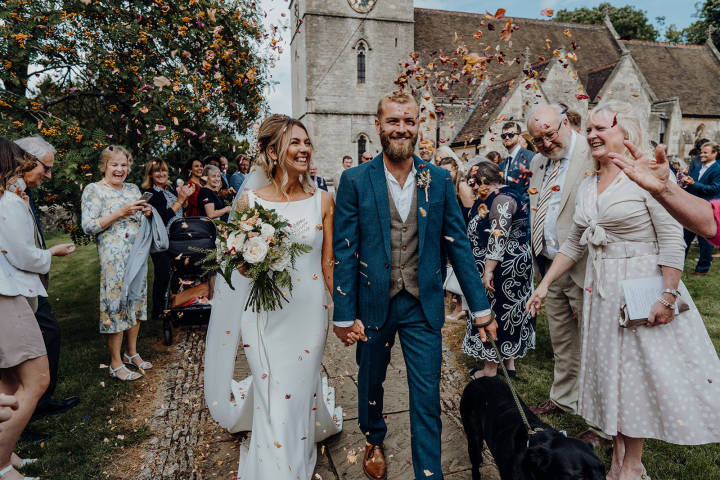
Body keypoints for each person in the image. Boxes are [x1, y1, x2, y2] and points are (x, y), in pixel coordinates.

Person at [527, 100, 720, 480]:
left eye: (602, 128)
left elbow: (671, 240)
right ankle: (619, 461)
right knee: (609, 378)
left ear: (625, 135)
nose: (593, 134)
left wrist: (667, 295)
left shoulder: (647, 178)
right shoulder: (586, 184)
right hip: (600, 291)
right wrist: (545, 285)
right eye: (592, 128)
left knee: (635, 379)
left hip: (640, 290)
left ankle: (630, 466)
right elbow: (574, 243)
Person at [332, 91, 496, 480]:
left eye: (408, 121)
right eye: (393, 121)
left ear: (418, 125)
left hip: (423, 305)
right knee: (371, 380)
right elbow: (345, 249)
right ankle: (373, 435)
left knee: (427, 396)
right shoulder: (354, 180)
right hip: (373, 302)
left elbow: (458, 245)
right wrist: (343, 314)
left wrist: (482, 309)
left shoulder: (438, 179)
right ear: (379, 126)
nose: (401, 128)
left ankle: (429, 472)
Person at [203, 114, 341, 479]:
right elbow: (239, 268)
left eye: (306, 142)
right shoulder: (250, 203)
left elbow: (328, 263)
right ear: (272, 151)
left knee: (299, 390)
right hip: (264, 315)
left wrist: (343, 309)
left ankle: (296, 454)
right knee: (272, 394)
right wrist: (252, 259)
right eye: (295, 142)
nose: (303, 149)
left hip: (310, 314)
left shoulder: (323, 201)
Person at [0, 139, 75, 479]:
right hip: (8, 293)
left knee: (8, 383)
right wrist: (53, 254)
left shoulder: (11, 200)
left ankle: (8, 454)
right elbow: (24, 255)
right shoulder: (9, 203)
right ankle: (2, 466)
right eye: (30, 163)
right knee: (37, 378)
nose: (40, 172)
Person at [526, 105, 595, 427]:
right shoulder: (538, 162)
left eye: (550, 134)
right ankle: (564, 397)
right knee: (562, 339)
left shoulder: (592, 154)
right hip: (550, 266)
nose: (545, 144)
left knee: (595, 343)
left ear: (566, 124)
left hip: (586, 265)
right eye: (537, 139)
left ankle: (599, 418)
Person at [13, 136, 80, 435]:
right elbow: (19, 250)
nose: (49, 176)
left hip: (29, 283)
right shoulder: (9, 197)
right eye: (46, 168)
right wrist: (50, 253)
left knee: (49, 334)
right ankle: (21, 417)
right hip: (14, 286)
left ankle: (39, 401)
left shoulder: (22, 192)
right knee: (20, 354)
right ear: (26, 159)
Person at [81, 146, 153, 382]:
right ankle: (115, 363)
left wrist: (147, 211)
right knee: (116, 306)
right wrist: (119, 212)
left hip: (137, 256)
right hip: (114, 260)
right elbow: (89, 226)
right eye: (114, 165)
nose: (120, 169)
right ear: (104, 166)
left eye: (124, 165)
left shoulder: (133, 189)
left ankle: (132, 353)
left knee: (136, 302)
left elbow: (138, 219)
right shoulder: (94, 190)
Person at [463, 161, 534, 379]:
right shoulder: (501, 196)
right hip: (512, 266)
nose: (473, 188)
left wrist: (488, 271)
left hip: (504, 270)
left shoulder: (501, 199)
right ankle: (509, 366)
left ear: (485, 180)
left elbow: (498, 236)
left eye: (474, 182)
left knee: (498, 314)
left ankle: (490, 370)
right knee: (508, 314)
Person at [141, 159, 195, 321]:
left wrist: (184, 199)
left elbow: (177, 212)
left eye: (163, 170)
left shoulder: (169, 189)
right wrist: (179, 201)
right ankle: (158, 311)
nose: (161, 174)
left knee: (176, 273)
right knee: (163, 275)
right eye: (157, 171)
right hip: (161, 241)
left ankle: (177, 302)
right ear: (150, 174)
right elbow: (162, 218)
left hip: (176, 240)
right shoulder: (151, 194)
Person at [438, 154, 475, 323]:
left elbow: (471, 213)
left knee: (459, 271)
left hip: (463, 233)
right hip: (450, 234)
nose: (445, 174)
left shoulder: (461, 185)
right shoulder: (449, 186)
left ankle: (461, 309)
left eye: (448, 171)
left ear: (455, 169)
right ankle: (459, 307)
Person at [678, 142, 720, 275]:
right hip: (691, 209)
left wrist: (694, 184)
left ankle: (702, 269)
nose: (702, 154)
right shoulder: (698, 167)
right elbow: (693, 183)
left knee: (704, 242)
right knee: (683, 238)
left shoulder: (717, 169)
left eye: (705, 152)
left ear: (714, 154)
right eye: (701, 152)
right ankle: (678, 265)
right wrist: (686, 183)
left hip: (706, 210)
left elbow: (714, 189)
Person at [498, 121, 534, 202]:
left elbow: (532, 187)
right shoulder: (503, 164)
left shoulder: (529, 156)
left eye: (511, 134)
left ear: (519, 137)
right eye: (503, 136)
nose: (507, 138)